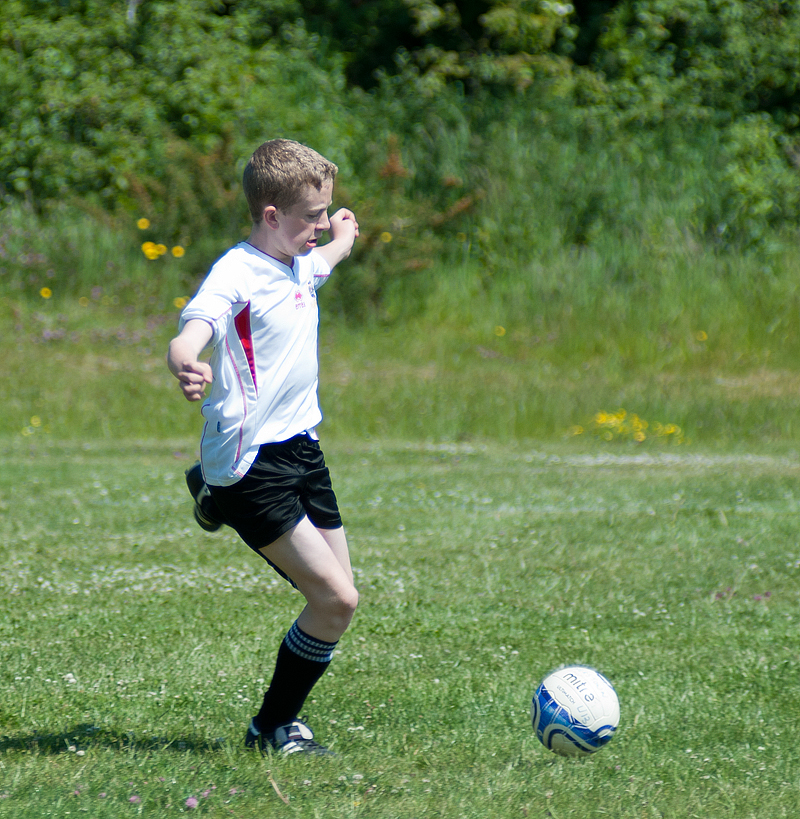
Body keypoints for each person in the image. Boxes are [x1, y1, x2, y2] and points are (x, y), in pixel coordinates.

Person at [166, 138, 359, 756]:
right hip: (253, 465)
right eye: (311, 214)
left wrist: (342, 234)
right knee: (335, 599)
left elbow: (327, 257)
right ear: (270, 216)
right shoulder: (237, 272)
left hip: (303, 452)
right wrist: (186, 359)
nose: (320, 224)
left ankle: (211, 492)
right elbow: (195, 324)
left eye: (325, 209)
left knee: (336, 608)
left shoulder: (301, 258)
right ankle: (272, 729)